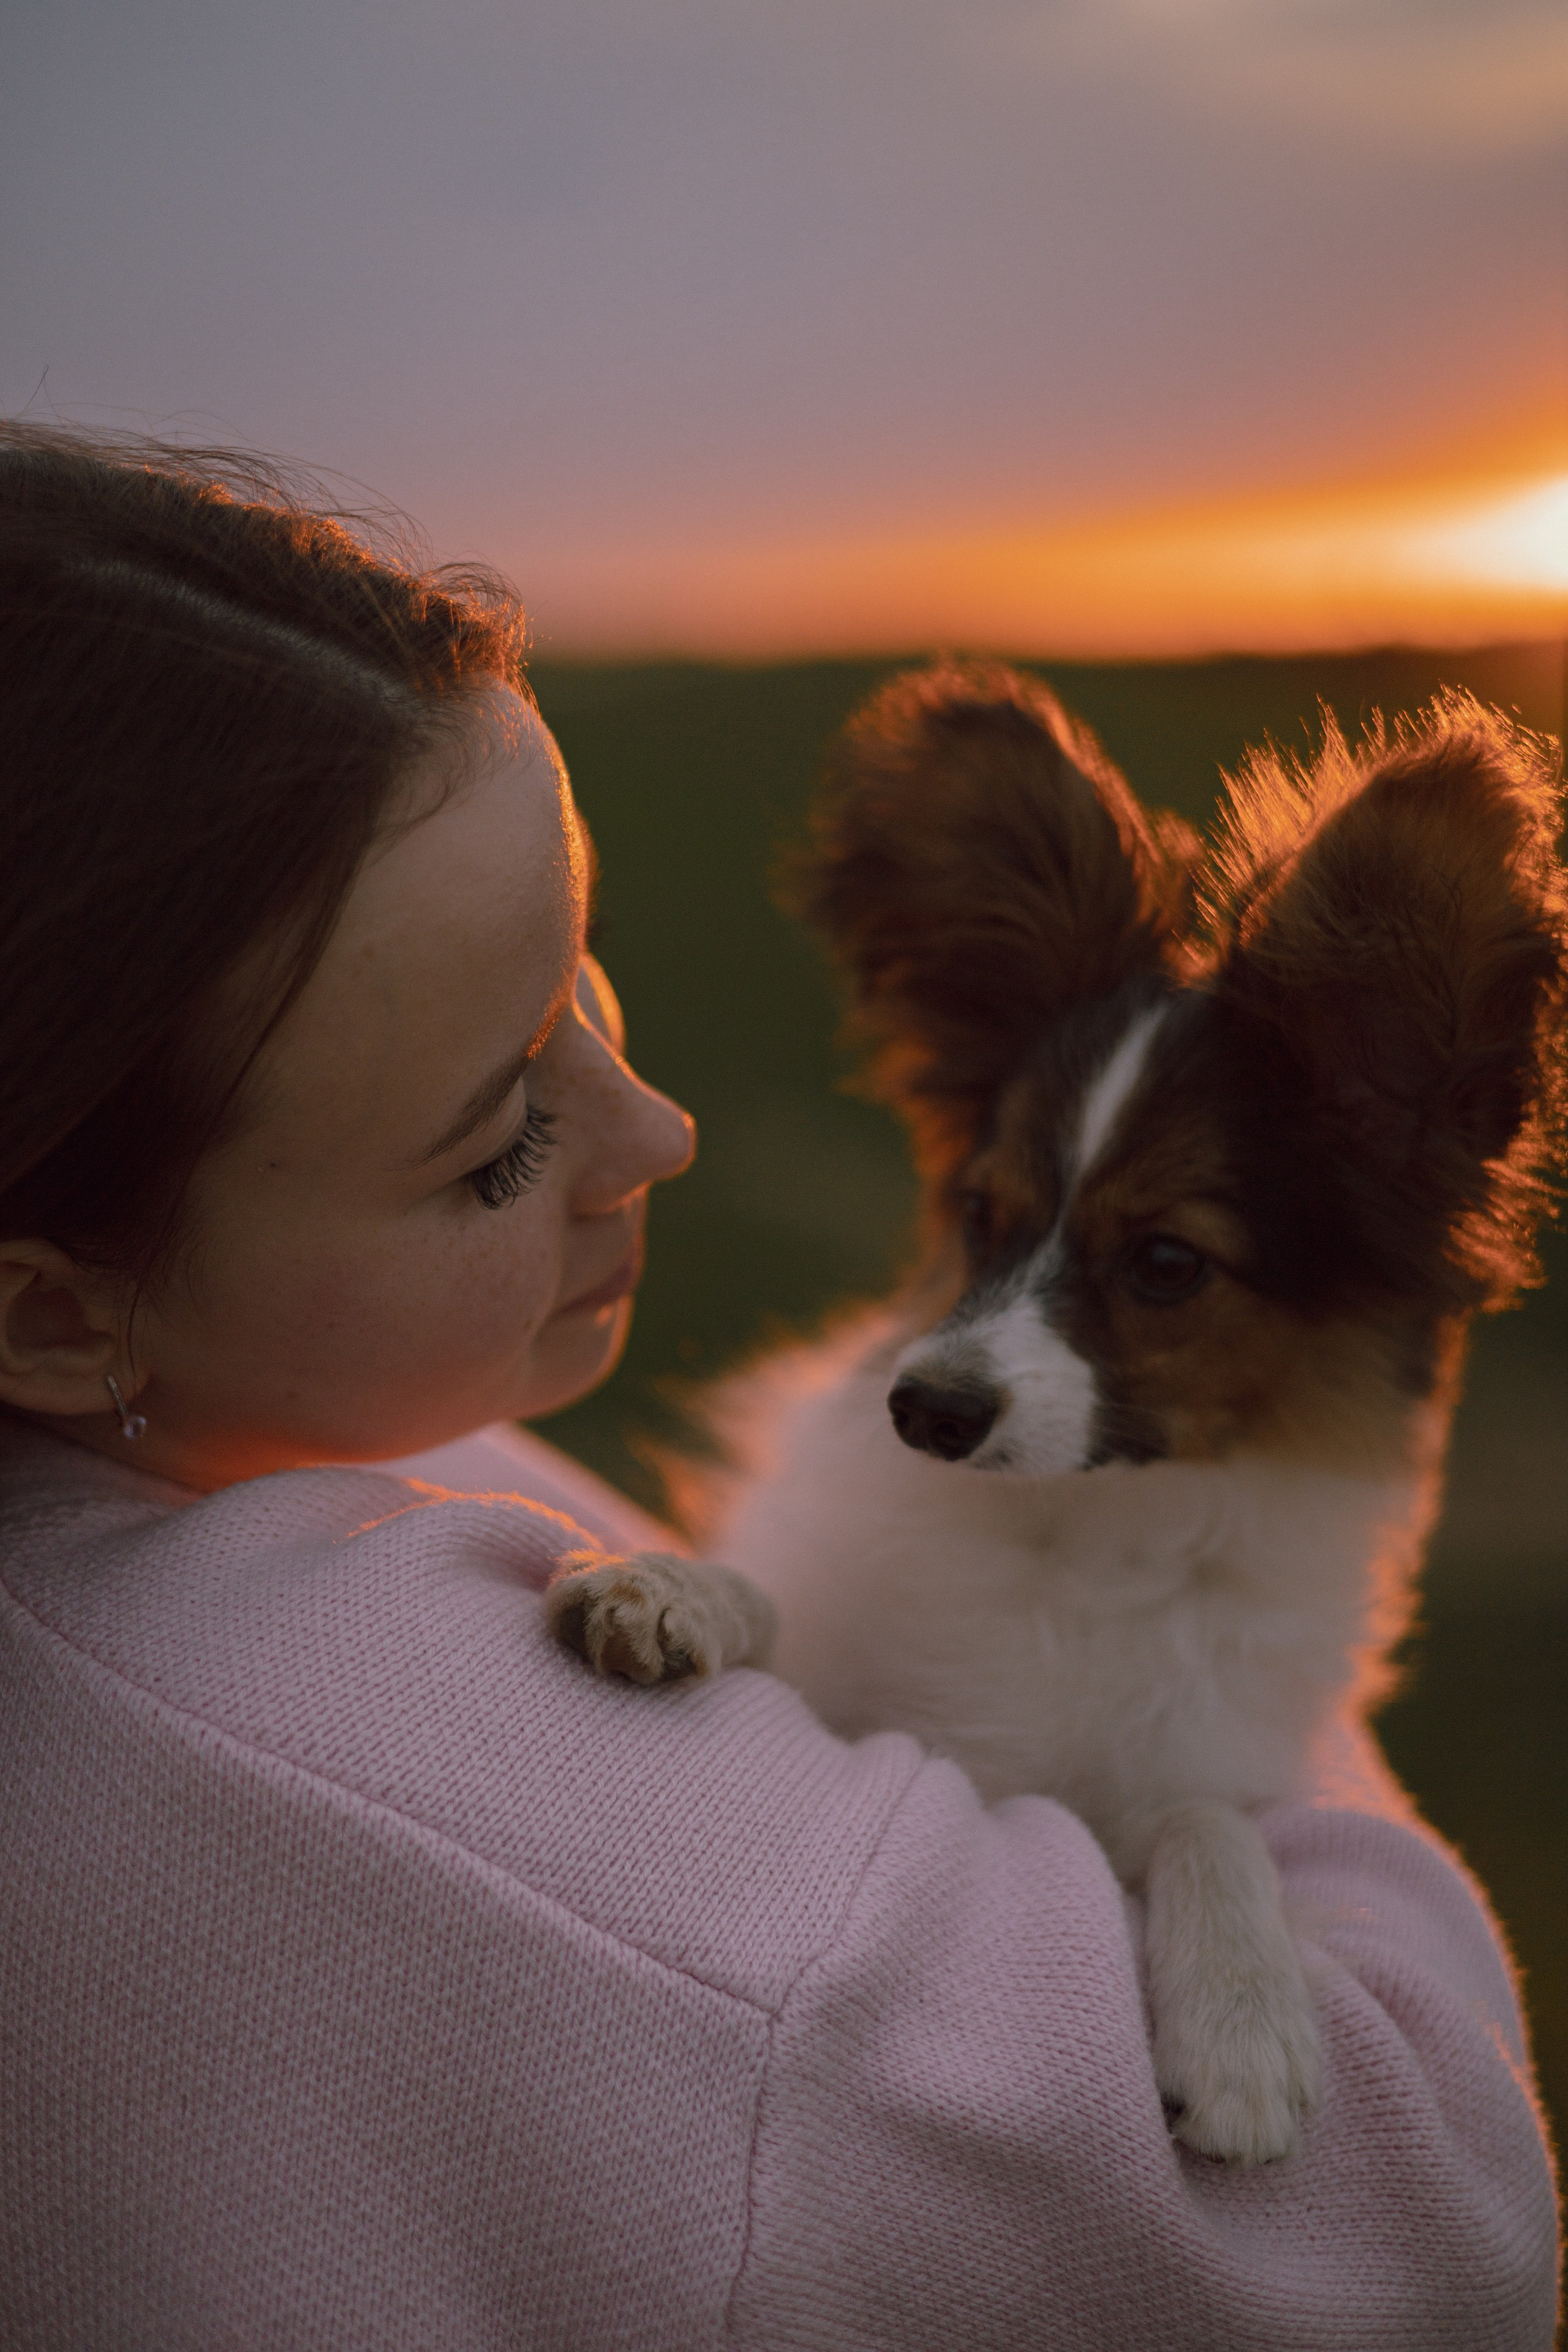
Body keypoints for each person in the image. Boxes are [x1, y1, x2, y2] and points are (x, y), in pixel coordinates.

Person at [0, 421, 1556, 2351]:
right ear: (52, 1315)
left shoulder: (246, 1445)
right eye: (496, 1133)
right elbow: (1428, 2229)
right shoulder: (526, 1860)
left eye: (583, 986)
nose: (660, 1131)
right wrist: (1268, 1765)